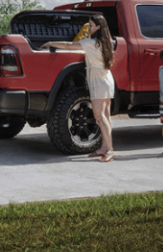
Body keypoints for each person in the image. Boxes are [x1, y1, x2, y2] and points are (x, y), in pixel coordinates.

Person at [41, 15, 116, 162]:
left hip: (98, 81)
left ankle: (110, 150)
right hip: (107, 79)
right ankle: (104, 147)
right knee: (105, 116)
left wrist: (50, 43)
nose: (89, 28)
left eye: (91, 25)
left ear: (98, 27)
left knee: (99, 116)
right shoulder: (107, 42)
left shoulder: (90, 42)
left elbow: (68, 45)